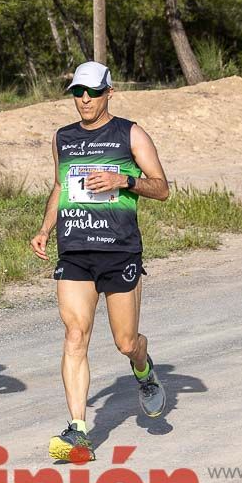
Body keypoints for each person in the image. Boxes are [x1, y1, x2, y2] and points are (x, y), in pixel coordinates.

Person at [29, 61, 171, 462]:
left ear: (110, 91)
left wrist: (124, 181)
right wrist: (44, 228)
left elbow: (161, 189)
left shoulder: (130, 133)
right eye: (78, 92)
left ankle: (143, 370)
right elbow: (60, 185)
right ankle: (78, 432)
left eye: (92, 91)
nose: (85, 99)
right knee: (75, 334)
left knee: (125, 341)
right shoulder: (63, 138)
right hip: (74, 248)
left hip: (119, 249)